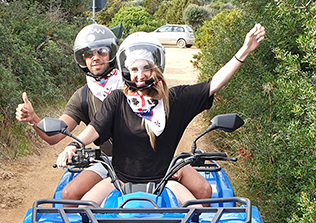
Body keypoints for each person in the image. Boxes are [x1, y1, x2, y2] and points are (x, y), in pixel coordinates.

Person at [56, 23, 266, 205]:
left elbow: (213, 85)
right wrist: (73, 145)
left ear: (155, 68)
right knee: (85, 209)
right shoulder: (117, 99)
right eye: (134, 69)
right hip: (119, 181)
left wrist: (244, 51)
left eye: (145, 67)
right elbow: (95, 127)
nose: (140, 75)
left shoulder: (173, 99)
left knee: (197, 214)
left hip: (163, 178)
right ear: (126, 71)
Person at [16, 24, 211, 201]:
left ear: (112, 54)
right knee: (69, 194)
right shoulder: (83, 96)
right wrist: (34, 119)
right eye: (88, 53)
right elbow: (55, 136)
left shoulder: (134, 81)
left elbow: (164, 98)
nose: (95, 57)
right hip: (111, 161)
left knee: (203, 190)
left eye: (101, 51)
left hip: (155, 157)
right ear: (82, 59)